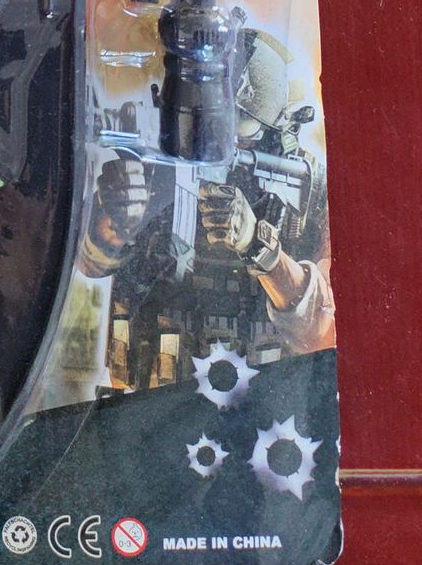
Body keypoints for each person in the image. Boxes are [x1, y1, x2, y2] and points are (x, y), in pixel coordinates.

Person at [81, 28, 335, 392]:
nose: (218, 146)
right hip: (147, 395)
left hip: (259, 405)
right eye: (207, 126)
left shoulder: (310, 189)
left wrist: (259, 247)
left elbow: (321, 328)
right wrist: (116, 224)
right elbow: (89, 265)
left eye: (238, 134)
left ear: (279, 134)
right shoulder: (154, 163)